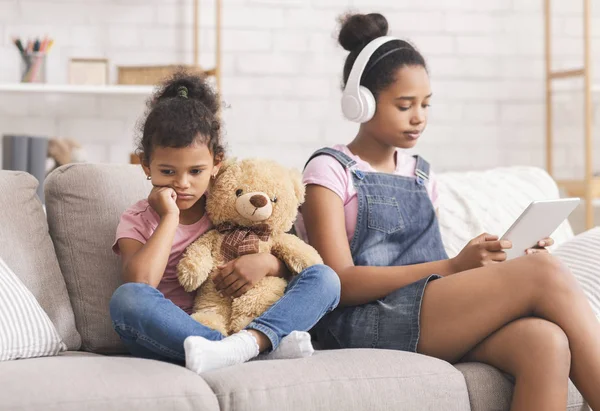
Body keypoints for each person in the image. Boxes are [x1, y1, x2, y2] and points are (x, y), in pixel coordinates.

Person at [296, 12, 600, 411]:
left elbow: (439, 275)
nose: (419, 116)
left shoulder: (422, 175)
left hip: (427, 309)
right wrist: (455, 266)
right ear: (362, 103)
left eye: (425, 104)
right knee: (545, 272)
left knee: (545, 342)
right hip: (361, 319)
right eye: (404, 105)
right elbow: (341, 282)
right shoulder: (329, 171)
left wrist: (495, 260)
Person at [109, 70, 340, 374]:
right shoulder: (138, 219)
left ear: (217, 163)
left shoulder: (227, 206)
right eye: (167, 172)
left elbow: (281, 250)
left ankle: (243, 344)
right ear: (145, 165)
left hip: (238, 319)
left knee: (325, 279)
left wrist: (268, 264)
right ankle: (251, 345)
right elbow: (140, 283)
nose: (182, 184)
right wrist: (169, 217)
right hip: (175, 335)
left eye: (195, 171)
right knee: (127, 300)